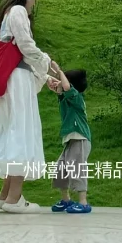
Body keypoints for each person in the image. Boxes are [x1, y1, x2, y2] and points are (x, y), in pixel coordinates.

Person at [0, 0, 61, 213]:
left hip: (7, 80)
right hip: (16, 82)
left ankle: (5, 194)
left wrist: (44, 77)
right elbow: (26, 46)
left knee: (11, 131)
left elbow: (16, 53)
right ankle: (15, 198)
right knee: (21, 132)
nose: (34, 5)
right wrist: (47, 62)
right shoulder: (18, 11)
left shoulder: (6, 14)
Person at [48, 67, 92, 214]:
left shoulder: (77, 97)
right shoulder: (67, 98)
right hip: (71, 140)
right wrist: (53, 77)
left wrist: (59, 72)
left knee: (77, 168)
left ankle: (83, 202)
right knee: (60, 169)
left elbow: (66, 87)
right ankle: (66, 200)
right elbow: (62, 89)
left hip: (80, 139)